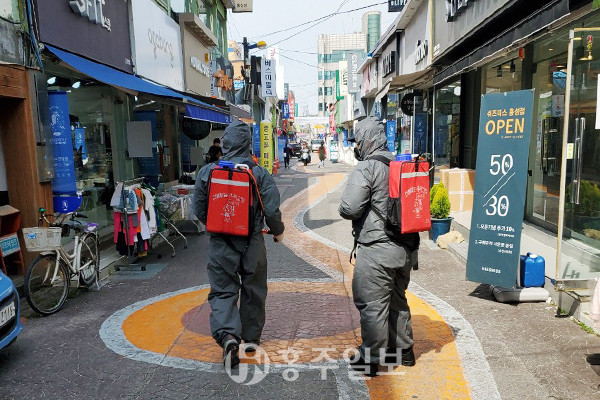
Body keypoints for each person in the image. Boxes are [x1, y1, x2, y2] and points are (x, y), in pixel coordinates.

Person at [194, 121, 285, 368]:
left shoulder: (208, 172)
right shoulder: (258, 173)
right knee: (254, 289)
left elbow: (199, 209)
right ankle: (252, 338)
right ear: (247, 143)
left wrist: (217, 226)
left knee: (223, 290)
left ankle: (229, 336)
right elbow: (272, 210)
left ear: (225, 143)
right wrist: (278, 232)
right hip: (253, 241)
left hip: (220, 243)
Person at [338, 116, 417, 377]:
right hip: (404, 248)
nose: (356, 147)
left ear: (367, 141)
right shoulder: (398, 164)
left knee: (372, 304)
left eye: (358, 141)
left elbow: (349, 208)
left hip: (376, 250)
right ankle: (404, 352)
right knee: (397, 300)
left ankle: (371, 360)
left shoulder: (368, 167)